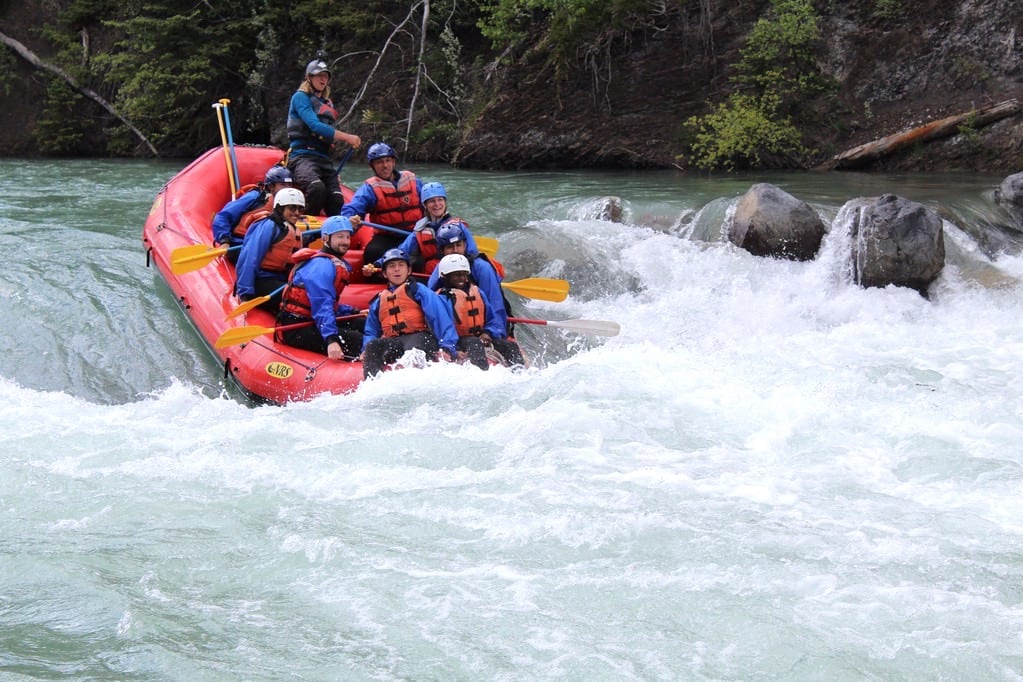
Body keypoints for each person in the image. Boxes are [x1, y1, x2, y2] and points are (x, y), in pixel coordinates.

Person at [361, 249, 458, 378]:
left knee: (413, 353)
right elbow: (371, 331)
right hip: (395, 341)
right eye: (392, 266)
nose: (397, 269)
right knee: (373, 346)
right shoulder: (379, 300)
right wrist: (365, 350)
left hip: (421, 338)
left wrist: (447, 347)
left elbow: (440, 318)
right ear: (384, 273)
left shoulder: (418, 290)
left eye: (401, 265)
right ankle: (371, 383)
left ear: (409, 270)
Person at [275, 216, 363, 359]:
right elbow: (321, 304)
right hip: (297, 326)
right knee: (359, 341)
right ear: (326, 238)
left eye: (348, 237)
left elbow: (330, 304)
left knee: (363, 324)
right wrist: (331, 340)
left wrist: (352, 311)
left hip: (313, 320)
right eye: (340, 237)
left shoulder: (331, 262)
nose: (346, 242)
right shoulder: (321, 266)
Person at [286, 58, 362, 216]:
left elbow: (327, 133)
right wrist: (347, 137)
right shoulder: (300, 98)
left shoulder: (327, 103)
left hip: (323, 159)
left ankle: (332, 233)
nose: (322, 79)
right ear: (309, 78)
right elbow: (314, 125)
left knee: (336, 198)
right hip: (302, 156)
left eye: (325, 76)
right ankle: (301, 225)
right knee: (316, 188)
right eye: (318, 75)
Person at [435, 254, 525, 369]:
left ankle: (520, 372)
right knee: (474, 343)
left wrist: (487, 332)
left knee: (510, 346)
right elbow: (443, 328)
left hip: (480, 336)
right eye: (456, 275)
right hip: (458, 340)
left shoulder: (478, 292)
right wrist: (453, 350)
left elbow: (491, 318)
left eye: (463, 274)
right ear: (444, 276)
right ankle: (482, 374)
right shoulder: (442, 298)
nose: (461, 278)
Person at [341, 142, 423, 268]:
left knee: (424, 255)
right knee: (372, 253)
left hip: (414, 233)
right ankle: (379, 282)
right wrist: (349, 219)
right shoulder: (370, 188)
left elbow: (431, 201)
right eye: (379, 162)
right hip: (387, 237)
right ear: (372, 166)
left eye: (388, 160)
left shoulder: (413, 181)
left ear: (393, 162)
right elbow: (354, 207)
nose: (385, 165)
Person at [426, 223, 510, 335]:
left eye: (458, 245)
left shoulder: (482, 267)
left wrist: (493, 333)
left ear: (464, 245)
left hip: (484, 328)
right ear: (442, 250)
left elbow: (495, 305)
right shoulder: (440, 268)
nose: (455, 250)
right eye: (450, 247)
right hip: (454, 331)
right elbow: (430, 301)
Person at [234, 187, 305, 313]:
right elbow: (250, 258)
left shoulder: (292, 229)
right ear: (280, 208)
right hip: (258, 282)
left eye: (300, 209)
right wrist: (245, 294)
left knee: (305, 294)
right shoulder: (268, 225)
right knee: (296, 298)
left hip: (276, 279)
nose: (297, 212)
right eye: (292, 208)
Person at [386, 181, 479, 277]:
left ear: (445, 202)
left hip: (459, 270)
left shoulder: (458, 226)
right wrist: (380, 263)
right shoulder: (420, 230)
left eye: (440, 200)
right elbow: (401, 251)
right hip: (433, 271)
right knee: (428, 265)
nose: (437, 204)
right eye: (432, 201)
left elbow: (472, 252)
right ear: (425, 205)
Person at [212, 165, 294, 263]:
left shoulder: (288, 204)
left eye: (289, 185)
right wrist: (224, 241)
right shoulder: (255, 197)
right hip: (241, 244)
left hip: (266, 245)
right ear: (271, 186)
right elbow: (222, 216)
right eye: (283, 185)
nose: (288, 188)